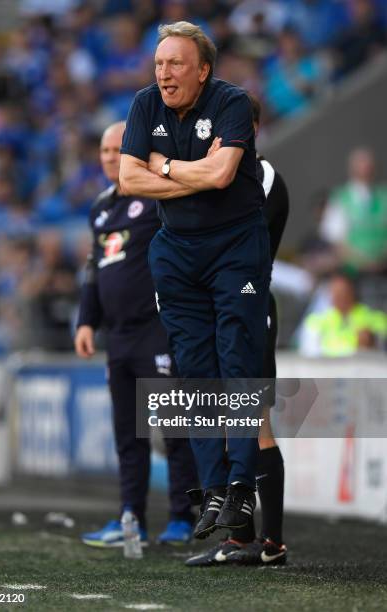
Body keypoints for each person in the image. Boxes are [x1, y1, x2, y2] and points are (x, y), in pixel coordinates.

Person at [119, 22, 271, 541]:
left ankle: (240, 488)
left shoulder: (231, 103)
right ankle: (212, 495)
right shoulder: (144, 104)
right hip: (177, 252)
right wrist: (186, 171)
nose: (165, 74)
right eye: (160, 64)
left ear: (202, 70)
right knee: (194, 372)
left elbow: (224, 175)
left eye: (176, 64)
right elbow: (126, 178)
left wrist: (161, 167)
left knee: (238, 361)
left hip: (235, 248)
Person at [75, 121, 198, 546]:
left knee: (173, 427)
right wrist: (86, 321)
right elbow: (95, 271)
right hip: (118, 336)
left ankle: (183, 516)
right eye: (105, 150)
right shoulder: (100, 208)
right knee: (127, 434)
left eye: (118, 149)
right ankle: (131, 519)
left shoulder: (156, 195)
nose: (110, 157)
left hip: (157, 330)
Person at [185, 94, 289, 566]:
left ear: (251, 128)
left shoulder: (263, 179)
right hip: (211, 309)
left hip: (246, 306)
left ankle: (273, 542)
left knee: (253, 418)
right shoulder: (213, 175)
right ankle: (239, 540)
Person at [299, 273, 387, 357]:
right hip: (327, 368)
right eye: (335, 292)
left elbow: (381, 345)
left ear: (352, 292)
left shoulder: (374, 317)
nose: (338, 296)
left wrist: (371, 341)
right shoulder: (316, 320)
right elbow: (309, 352)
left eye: (343, 291)